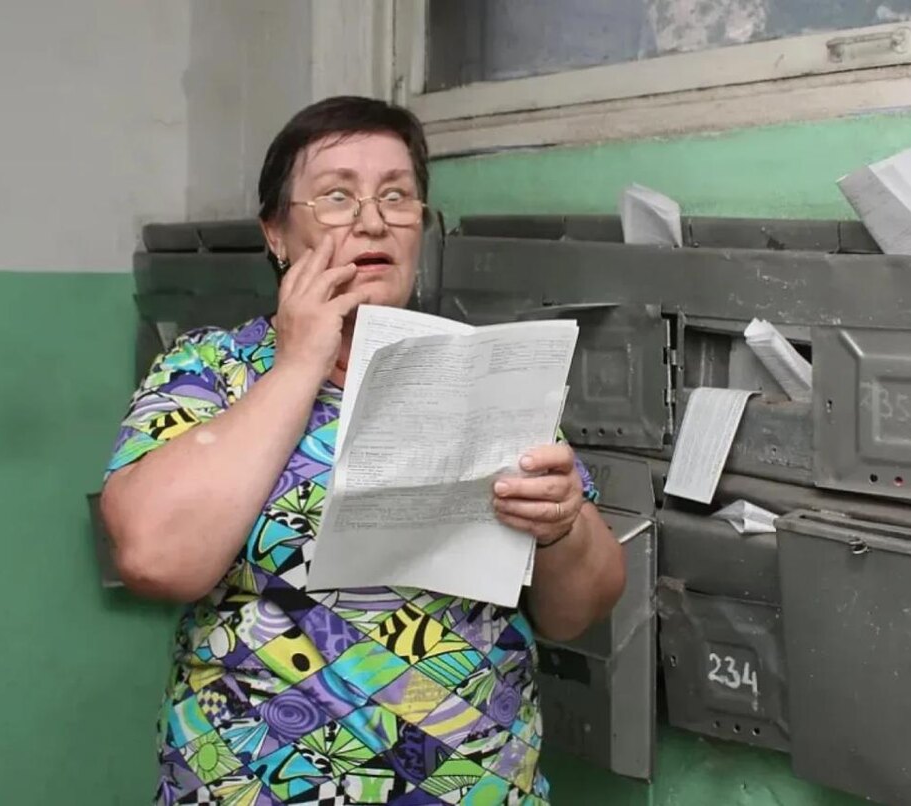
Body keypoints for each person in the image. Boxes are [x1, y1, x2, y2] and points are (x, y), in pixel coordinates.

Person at [100, 95, 627, 805]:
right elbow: (154, 559)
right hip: (257, 784)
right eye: (337, 196)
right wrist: (299, 365)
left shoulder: (482, 372)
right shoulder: (210, 370)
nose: (373, 220)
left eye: (397, 196)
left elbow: (576, 612)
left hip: (473, 784)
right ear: (276, 233)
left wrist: (564, 526)